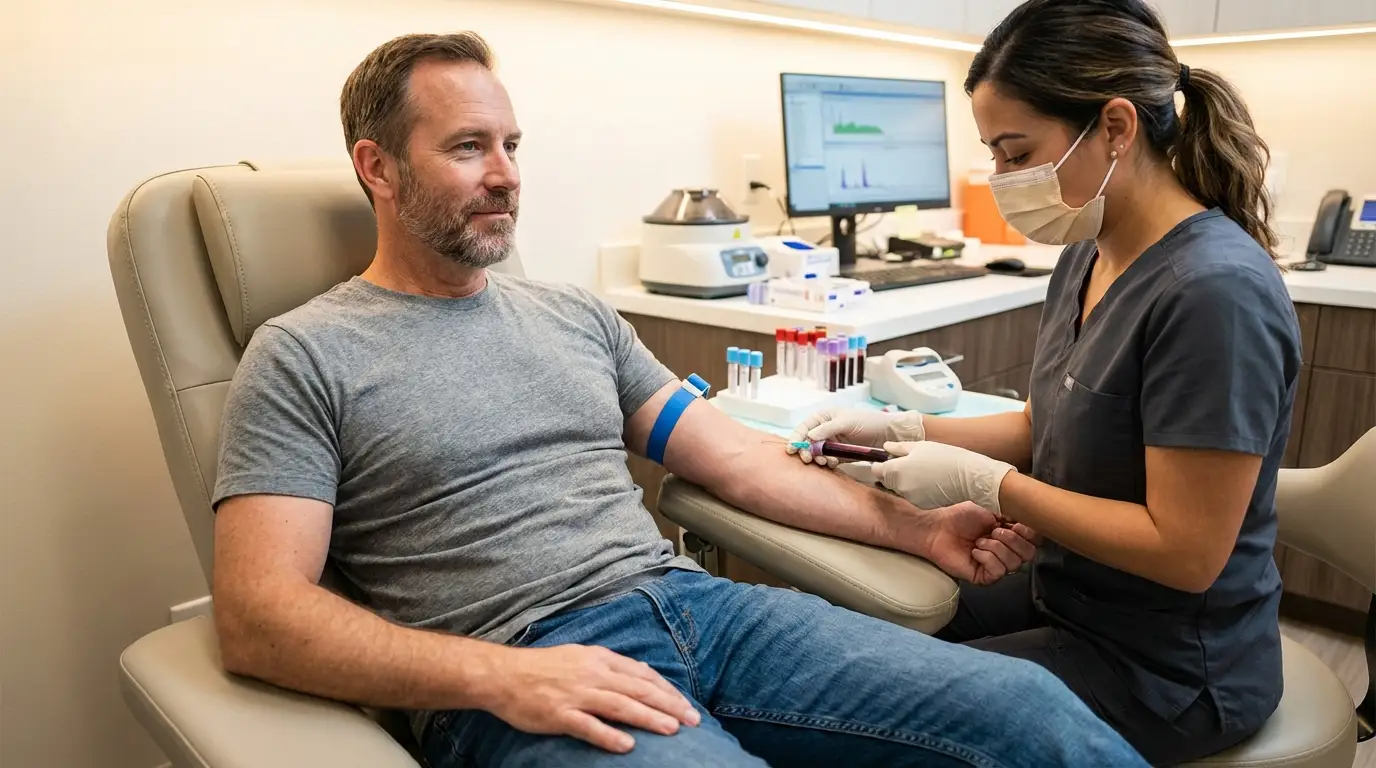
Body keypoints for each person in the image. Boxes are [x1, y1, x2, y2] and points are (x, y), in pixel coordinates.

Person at [209, 31, 1146, 768]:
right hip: (519, 663)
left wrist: (915, 530)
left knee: (1030, 714)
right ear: (378, 168)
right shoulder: (304, 355)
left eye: (511, 144)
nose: (506, 174)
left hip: (697, 610)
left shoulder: (573, 315)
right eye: (466, 148)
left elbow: (736, 461)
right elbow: (258, 614)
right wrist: (499, 677)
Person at [791, 1, 1300, 764]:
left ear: (1116, 128)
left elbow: (1187, 551)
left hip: (1166, 666)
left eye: (1016, 150)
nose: (1001, 178)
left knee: (867, 716)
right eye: (993, 152)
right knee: (847, 635)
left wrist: (989, 485)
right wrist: (904, 430)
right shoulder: (1090, 252)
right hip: (1065, 592)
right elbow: (1048, 424)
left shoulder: (1214, 294)